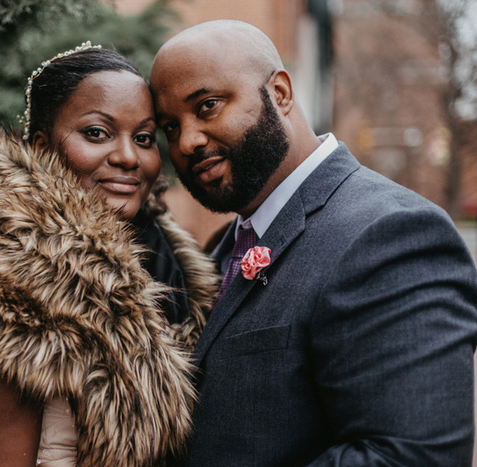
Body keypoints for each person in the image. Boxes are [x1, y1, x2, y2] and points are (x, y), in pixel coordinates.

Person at [149, 19, 477, 466]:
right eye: (169, 127)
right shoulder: (222, 247)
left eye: (207, 106)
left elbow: (410, 456)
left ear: (280, 93)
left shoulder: (391, 236)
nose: (187, 142)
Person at [0, 43, 219, 466]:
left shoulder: (171, 263)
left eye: (143, 138)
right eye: (96, 133)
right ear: (42, 147)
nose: (127, 156)